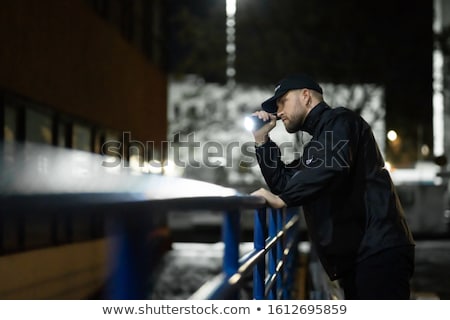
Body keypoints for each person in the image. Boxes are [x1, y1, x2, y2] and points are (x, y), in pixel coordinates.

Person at [250, 73, 415, 299]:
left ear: (306, 96)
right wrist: (261, 140)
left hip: (378, 250)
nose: (278, 111)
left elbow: (330, 167)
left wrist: (284, 200)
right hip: (360, 255)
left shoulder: (341, 121)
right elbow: (284, 183)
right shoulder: (318, 144)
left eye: (283, 101)